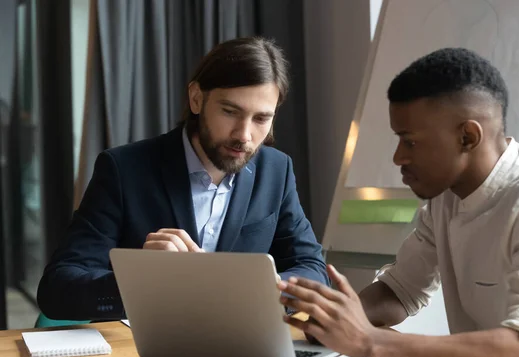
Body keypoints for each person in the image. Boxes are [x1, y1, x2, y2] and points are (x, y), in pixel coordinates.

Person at [277, 47, 519, 357]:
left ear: (468, 137)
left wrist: (370, 341)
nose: (398, 157)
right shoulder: (447, 196)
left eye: (410, 142)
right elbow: (398, 292)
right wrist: (334, 318)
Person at [37, 36, 328, 321]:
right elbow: (57, 290)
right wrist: (141, 280)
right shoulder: (123, 169)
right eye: (230, 111)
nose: (244, 135)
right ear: (196, 98)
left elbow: (313, 269)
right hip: (145, 354)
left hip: (241, 348)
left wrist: (261, 290)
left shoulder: (276, 170)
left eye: (261, 119)